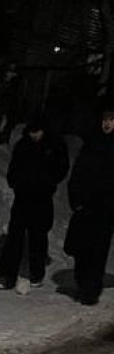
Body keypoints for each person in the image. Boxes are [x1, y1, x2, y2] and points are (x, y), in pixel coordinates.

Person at [0, 117, 69, 290]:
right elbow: (13, 168)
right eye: (31, 132)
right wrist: (16, 182)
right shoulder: (24, 145)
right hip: (23, 197)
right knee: (14, 237)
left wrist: (48, 181)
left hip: (42, 198)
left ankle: (36, 273)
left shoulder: (54, 145)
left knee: (38, 236)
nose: (34, 135)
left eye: (38, 132)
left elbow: (61, 168)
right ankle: (5, 277)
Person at [63, 105, 114, 305]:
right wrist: (76, 200)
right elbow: (78, 173)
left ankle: (90, 289)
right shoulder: (92, 144)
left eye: (111, 120)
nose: (107, 124)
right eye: (105, 120)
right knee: (82, 249)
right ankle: (83, 282)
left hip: (106, 207)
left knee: (98, 249)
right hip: (86, 205)